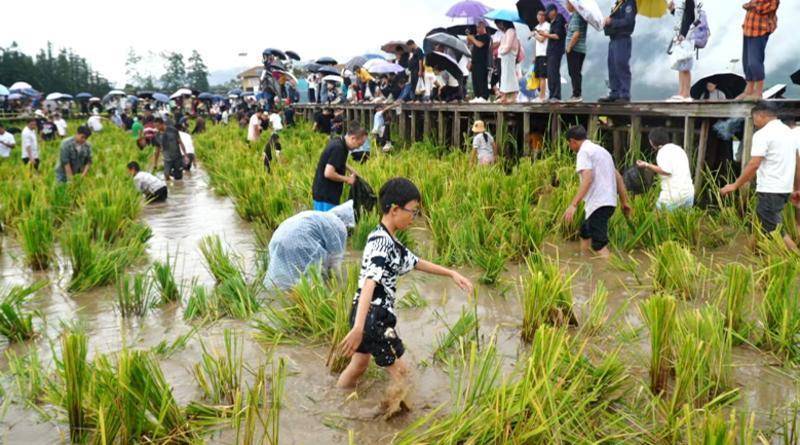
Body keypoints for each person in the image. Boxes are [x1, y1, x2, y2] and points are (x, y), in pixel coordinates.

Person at [336, 178, 473, 418]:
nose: (414, 217)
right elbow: (370, 281)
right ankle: (390, 419)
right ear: (394, 209)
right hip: (373, 318)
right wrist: (359, 328)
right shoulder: (381, 243)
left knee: (359, 365)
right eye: (413, 211)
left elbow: (417, 262)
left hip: (363, 312)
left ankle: (336, 403)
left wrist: (451, 273)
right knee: (403, 374)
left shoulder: (389, 241)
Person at [721, 102, 799, 248]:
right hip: (783, 188)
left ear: (761, 115)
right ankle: (754, 253)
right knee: (760, 222)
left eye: (754, 118)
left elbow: (754, 164)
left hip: (771, 188)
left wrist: (735, 185)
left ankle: (796, 259)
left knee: (775, 229)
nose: (754, 122)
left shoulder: (762, 134)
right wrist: (796, 187)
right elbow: (796, 161)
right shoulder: (788, 132)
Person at [563, 125, 632, 258]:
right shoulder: (602, 151)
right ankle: (586, 262)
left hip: (599, 204)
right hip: (608, 203)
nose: (570, 148)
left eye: (569, 145)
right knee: (585, 231)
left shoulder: (583, 152)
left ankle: (614, 272)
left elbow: (587, 179)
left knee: (599, 245)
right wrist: (624, 202)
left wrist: (573, 205)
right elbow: (618, 177)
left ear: (573, 141)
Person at [265, 201, 356, 291]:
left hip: (277, 238)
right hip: (299, 242)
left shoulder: (322, 217)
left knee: (286, 279)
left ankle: (283, 299)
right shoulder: (338, 225)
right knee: (308, 281)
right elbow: (336, 257)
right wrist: (339, 282)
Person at [311, 123, 367, 211]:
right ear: (353, 138)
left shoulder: (339, 141)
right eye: (359, 145)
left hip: (323, 192)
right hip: (326, 195)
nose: (358, 148)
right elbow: (328, 173)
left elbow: (335, 161)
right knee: (326, 223)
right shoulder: (338, 148)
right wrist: (347, 179)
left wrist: (351, 170)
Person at [636, 128, 694, 210]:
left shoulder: (662, 152)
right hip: (689, 194)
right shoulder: (679, 149)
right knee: (679, 222)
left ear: (652, 142)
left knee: (657, 219)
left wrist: (647, 165)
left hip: (674, 196)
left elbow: (666, 171)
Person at [738, 0, 779, 100]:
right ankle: (748, 90)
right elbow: (748, 5)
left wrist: (750, 5)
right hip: (748, 29)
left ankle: (758, 92)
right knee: (746, 62)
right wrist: (752, 5)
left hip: (760, 30)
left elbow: (764, 8)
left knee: (754, 62)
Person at [599, 0, 637, 103]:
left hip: (623, 38)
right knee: (612, 66)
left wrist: (612, 22)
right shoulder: (617, 4)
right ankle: (614, 93)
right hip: (613, 38)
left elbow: (628, 21)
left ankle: (625, 94)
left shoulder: (630, 3)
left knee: (621, 64)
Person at [667, 0, 696, 102]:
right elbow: (680, 16)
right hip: (679, 34)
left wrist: (683, 34)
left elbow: (690, 16)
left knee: (685, 64)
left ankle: (686, 94)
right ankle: (681, 92)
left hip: (687, 35)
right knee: (680, 64)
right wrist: (672, 10)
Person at [565, 0, 588, 102]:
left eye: (567, 3)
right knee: (576, 72)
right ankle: (576, 94)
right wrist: (568, 26)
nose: (566, 6)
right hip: (581, 49)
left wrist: (569, 47)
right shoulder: (580, 16)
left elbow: (576, 34)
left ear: (572, 4)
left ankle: (577, 95)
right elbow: (576, 30)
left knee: (574, 72)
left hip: (575, 49)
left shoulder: (576, 16)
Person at [543, 5, 567, 101]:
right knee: (549, 73)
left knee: (554, 72)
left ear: (554, 11)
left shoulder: (559, 19)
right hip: (551, 50)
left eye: (549, 12)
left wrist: (545, 34)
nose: (548, 14)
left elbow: (557, 36)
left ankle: (556, 95)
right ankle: (551, 94)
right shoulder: (552, 22)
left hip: (556, 50)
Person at [467, 21, 492, 102]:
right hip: (474, 61)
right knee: (475, 80)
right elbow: (470, 44)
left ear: (482, 27)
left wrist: (473, 38)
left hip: (482, 62)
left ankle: (484, 97)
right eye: (476, 28)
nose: (477, 29)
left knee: (481, 79)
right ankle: (477, 96)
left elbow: (479, 44)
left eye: (478, 27)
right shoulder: (477, 37)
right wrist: (469, 36)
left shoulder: (486, 36)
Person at [497, 20, 520, 103]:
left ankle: (511, 96)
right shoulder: (507, 32)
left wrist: (501, 51)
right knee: (505, 75)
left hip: (508, 55)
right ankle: (505, 96)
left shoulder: (511, 31)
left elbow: (509, 45)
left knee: (509, 75)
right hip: (506, 56)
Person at [530, 10, 551, 103]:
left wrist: (535, 34)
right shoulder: (537, 27)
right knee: (538, 75)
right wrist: (534, 56)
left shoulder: (547, 25)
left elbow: (542, 39)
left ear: (545, 16)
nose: (540, 16)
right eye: (539, 14)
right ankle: (540, 95)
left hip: (544, 53)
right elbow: (536, 43)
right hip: (538, 54)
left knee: (543, 76)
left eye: (542, 15)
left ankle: (542, 96)